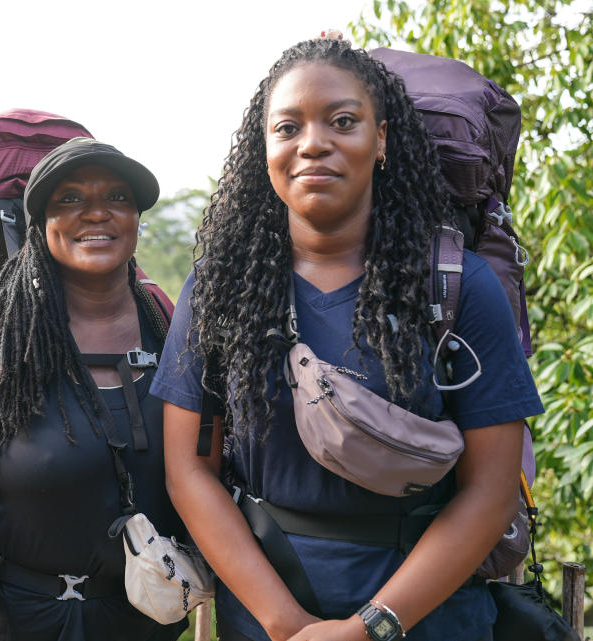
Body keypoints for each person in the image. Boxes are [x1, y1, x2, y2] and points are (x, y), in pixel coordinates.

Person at [151, 38, 543, 641]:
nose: (313, 143)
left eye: (342, 121)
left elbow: (490, 493)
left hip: (429, 622)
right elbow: (188, 470)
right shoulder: (220, 287)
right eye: (288, 127)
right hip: (266, 620)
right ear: (266, 149)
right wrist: (285, 624)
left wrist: (371, 628)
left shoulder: (458, 286)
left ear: (380, 140)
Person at [0, 137, 188, 641]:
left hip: (146, 620)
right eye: (70, 199)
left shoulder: (168, 328)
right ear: (39, 224)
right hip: (19, 621)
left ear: (136, 219)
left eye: (118, 198)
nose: (97, 214)